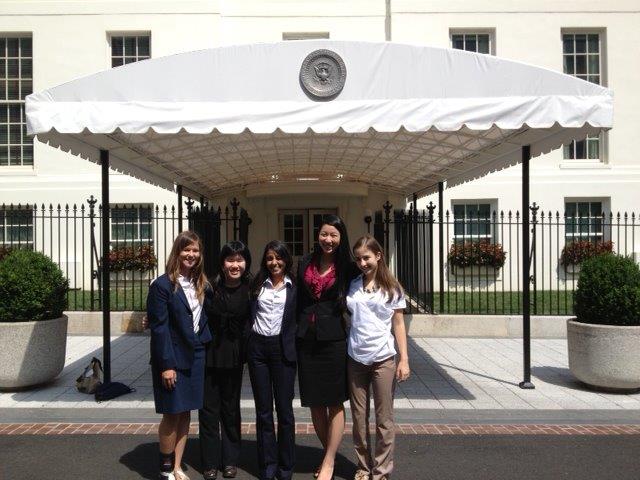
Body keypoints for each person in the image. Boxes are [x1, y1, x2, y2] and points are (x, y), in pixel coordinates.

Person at [296, 215, 359, 480]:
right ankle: (327, 453)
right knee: (314, 403)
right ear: (317, 236)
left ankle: (330, 461)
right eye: (324, 234)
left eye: (333, 235)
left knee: (333, 402)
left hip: (334, 340)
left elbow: (374, 282)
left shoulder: (349, 268)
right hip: (306, 340)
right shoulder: (305, 263)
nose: (328, 240)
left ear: (341, 237)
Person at [147, 231, 212, 480]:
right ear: (177, 252)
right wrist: (166, 365)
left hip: (196, 355)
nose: (191, 255)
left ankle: (177, 466)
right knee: (172, 413)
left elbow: (204, 316)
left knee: (186, 412)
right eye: (187, 250)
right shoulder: (162, 285)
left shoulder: (202, 283)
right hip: (172, 358)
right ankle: (165, 469)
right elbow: (160, 327)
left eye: (195, 251)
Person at [347, 235, 410, 480]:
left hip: (383, 358)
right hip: (355, 358)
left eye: (367, 257)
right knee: (359, 418)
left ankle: (381, 470)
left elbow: (399, 324)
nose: (363, 263)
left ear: (379, 256)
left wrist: (404, 359)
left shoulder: (392, 288)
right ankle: (363, 466)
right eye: (359, 259)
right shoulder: (353, 284)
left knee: (384, 419)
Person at [199, 241, 252, 480]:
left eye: (239, 260)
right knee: (209, 411)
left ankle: (230, 460)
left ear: (246, 263)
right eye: (230, 260)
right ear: (222, 263)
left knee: (231, 410)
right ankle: (209, 462)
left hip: (234, 357)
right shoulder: (209, 287)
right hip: (210, 355)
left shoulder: (252, 289)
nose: (235, 265)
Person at [246, 240, 297, 480]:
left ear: (286, 259)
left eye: (278, 258)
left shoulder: (295, 287)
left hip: (282, 350)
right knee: (263, 411)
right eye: (269, 258)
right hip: (258, 350)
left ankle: (285, 467)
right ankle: (268, 465)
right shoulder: (256, 284)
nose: (274, 262)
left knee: (285, 412)